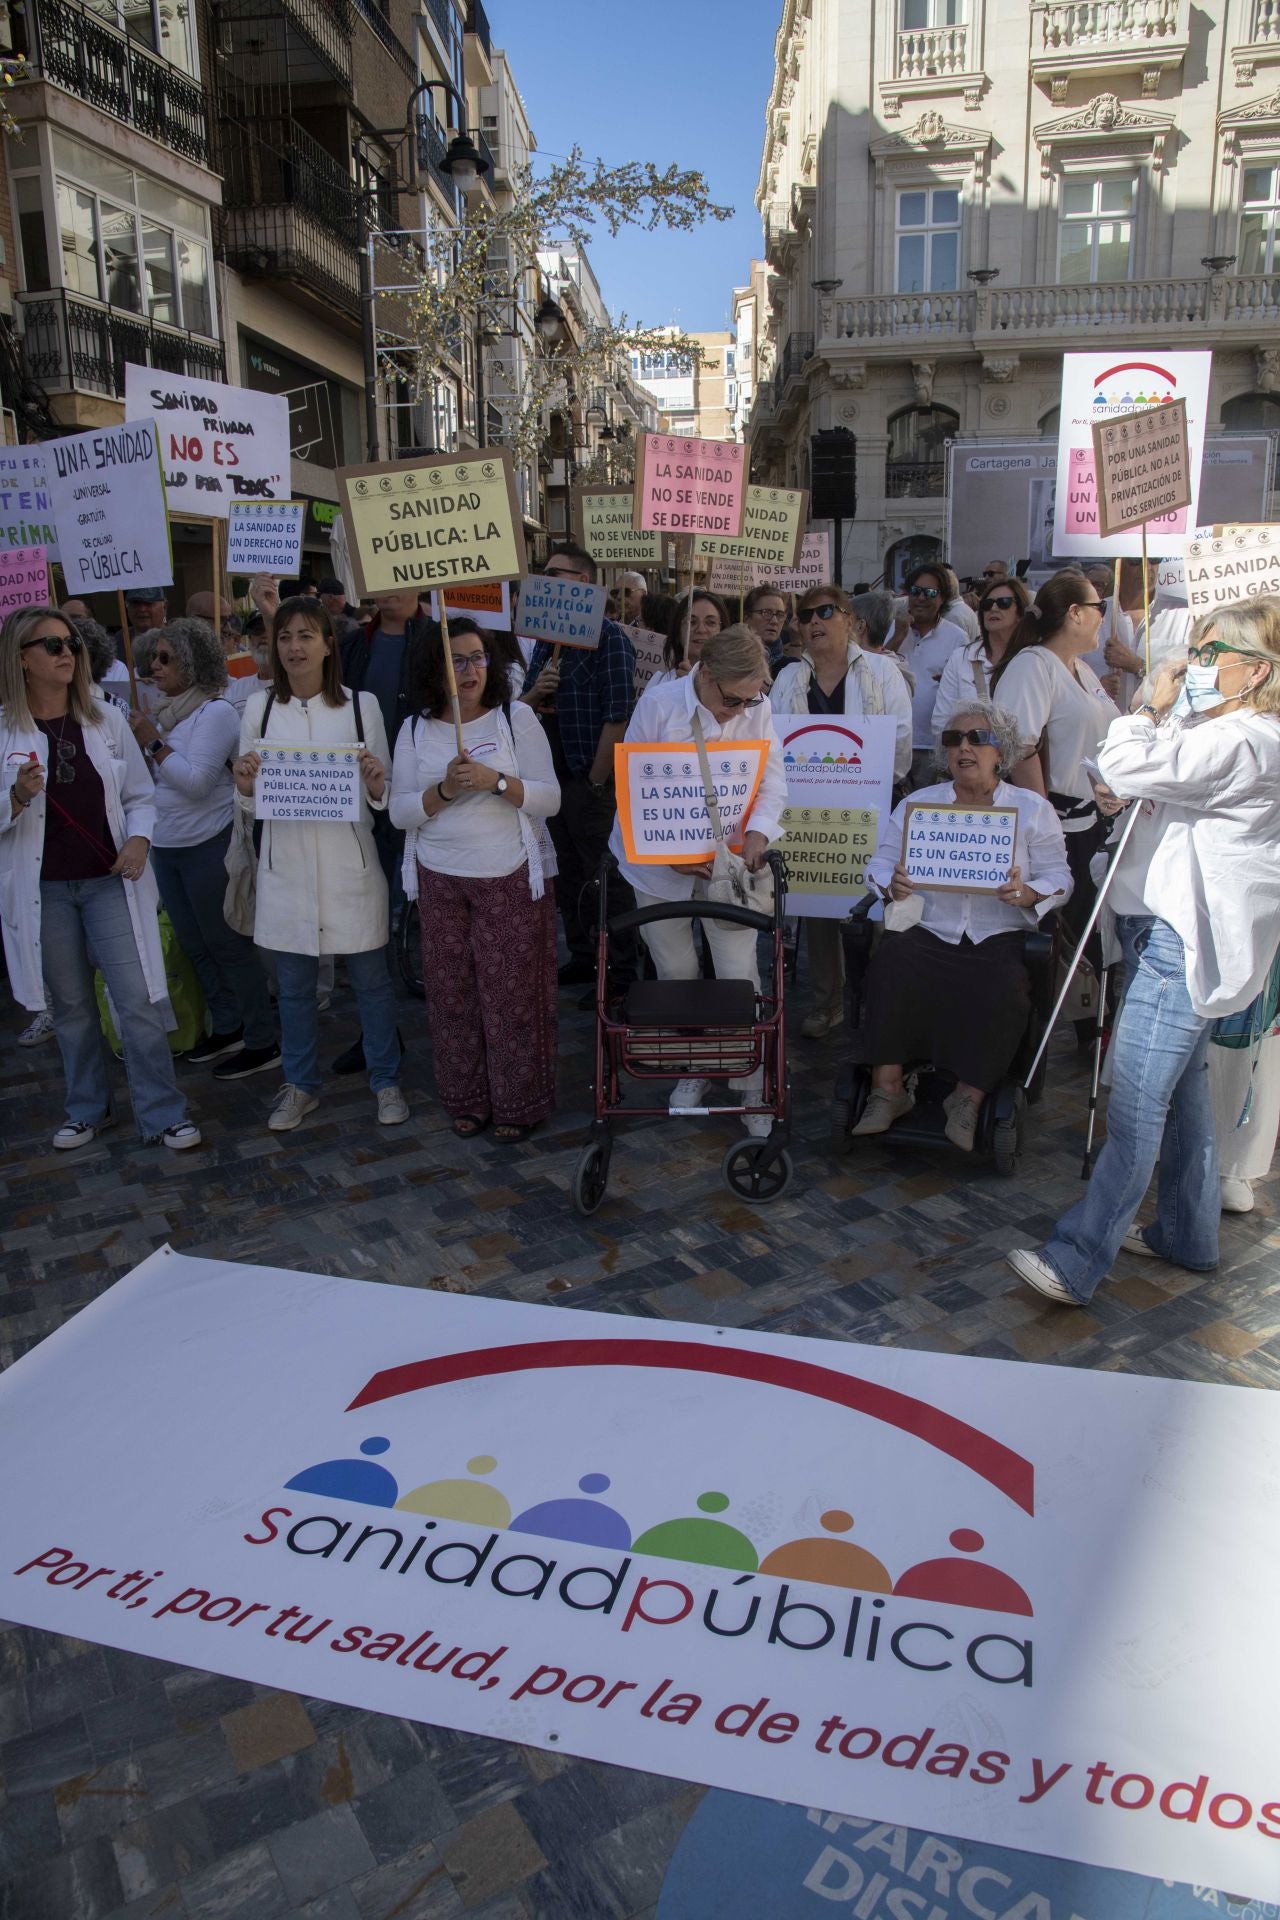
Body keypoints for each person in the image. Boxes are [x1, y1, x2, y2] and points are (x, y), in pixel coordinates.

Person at [1007, 599, 1280, 1306]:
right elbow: (1132, 780)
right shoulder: (1231, 733)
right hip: (1171, 932)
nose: (1196, 664)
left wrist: (1149, 707)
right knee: (1186, 1098)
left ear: (1256, 669)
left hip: (1180, 941)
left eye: (1213, 652)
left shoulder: (1245, 741)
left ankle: (1077, 1259)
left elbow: (1130, 763)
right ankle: (1188, 1233)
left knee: (1134, 1107)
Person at [0, 605, 200, 1150]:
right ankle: (87, 1109)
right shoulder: (4, 730)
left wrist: (139, 839)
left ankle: (162, 1112)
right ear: (22, 659)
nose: (67, 653)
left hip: (109, 880)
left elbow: (140, 794)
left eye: (72, 644)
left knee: (135, 1000)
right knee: (71, 1008)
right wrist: (16, 796)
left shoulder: (104, 718)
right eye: (53, 645)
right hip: (44, 892)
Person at [853, 702, 1071, 1150]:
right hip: (931, 926)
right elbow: (877, 865)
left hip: (999, 929)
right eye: (954, 740)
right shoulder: (919, 805)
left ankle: (967, 1098)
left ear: (1001, 752)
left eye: (977, 739)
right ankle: (888, 1090)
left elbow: (1060, 878)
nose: (964, 748)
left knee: (1005, 982)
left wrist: (1030, 893)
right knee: (891, 963)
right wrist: (889, 883)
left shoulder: (1032, 810)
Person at [233, 597, 407, 1131]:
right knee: (293, 987)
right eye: (285, 637)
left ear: (329, 643)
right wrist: (243, 786)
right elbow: (249, 796)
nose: (294, 647)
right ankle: (301, 1084)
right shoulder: (258, 709)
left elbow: (384, 794)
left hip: (349, 867)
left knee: (372, 984)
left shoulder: (362, 708)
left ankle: (386, 1079)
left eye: (307, 635)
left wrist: (378, 783)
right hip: (286, 870)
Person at [610, 625, 788, 1136]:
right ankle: (694, 1065)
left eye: (748, 700)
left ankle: (749, 1078)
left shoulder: (757, 705)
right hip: (656, 859)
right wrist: (668, 856)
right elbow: (633, 787)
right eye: (731, 699)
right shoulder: (660, 704)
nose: (737, 711)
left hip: (729, 859)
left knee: (737, 970)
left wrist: (758, 832)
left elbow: (773, 775)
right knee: (676, 968)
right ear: (705, 674)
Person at [389, 618, 560, 1141]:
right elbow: (398, 813)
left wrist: (497, 783)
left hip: (508, 875)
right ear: (433, 669)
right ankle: (468, 1098)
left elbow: (550, 799)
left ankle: (517, 1102)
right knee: (451, 995)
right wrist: (444, 790)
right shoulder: (415, 728)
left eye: (477, 658)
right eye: (455, 660)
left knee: (510, 995)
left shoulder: (516, 717)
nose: (469, 670)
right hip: (440, 880)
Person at [125, 617, 279, 1080]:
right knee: (194, 944)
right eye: (153, 656)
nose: (154, 666)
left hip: (205, 842)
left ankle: (262, 1037)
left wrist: (153, 745)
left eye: (165, 657)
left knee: (226, 943)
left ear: (193, 663)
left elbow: (195, 782)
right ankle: (227, 1024)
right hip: (166, 844)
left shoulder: (215, 713)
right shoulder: (167, 711)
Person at [771, 586, 914, 1038]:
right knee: (817, 911)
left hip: (869, 811)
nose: (814, 622)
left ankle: (874, 1000)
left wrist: (864, 782)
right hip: (808, 817)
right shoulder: (788, 679)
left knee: (871, 907)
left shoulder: (882, 674)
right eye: (806, 615)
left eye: (826, 612)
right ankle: (828, 1001)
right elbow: (772, 747)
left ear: (849, 619)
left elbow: (902, 744)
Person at [520, 541, 637, 1004]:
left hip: (591, 781)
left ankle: (621, 973)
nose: (545, 581)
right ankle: (584, 954)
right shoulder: (546, 641)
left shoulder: (611, 639)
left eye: (555, 574)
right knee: (567, 873)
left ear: (582, 583)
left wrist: (595, 780)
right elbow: (522, 709)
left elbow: (618, 715)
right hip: (551, 782)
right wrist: (537, 691)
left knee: (604, 876)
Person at [992, 570, 1120, 945]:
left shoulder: (1080, 668)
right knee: (1066, 939)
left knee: (1088, 935)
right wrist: (1043, 822)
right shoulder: (1033, 665)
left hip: (1091, 823)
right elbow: (1019, 747)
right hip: (1057, 829)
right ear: (1075, 613)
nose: (1104, 616)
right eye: (1101, 607)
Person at [890, 565, 967, 786]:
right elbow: (874, 667)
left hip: (934, 747)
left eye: (930, 593)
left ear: (942, 598)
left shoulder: (957, 638)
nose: (921, 598)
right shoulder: (893, 629)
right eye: (915, 591)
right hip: (895, 743)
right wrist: (898, 636)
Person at [933, 577, 1031, 732]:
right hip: (970, 752)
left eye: (1003, 603)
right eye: (986, 604)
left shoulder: (1034, 660)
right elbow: (941, 721)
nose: (993, 608)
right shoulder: (961, 658)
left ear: (1020, 612)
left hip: (1022, 753)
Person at [652, 589, 729, 685]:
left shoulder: (735, 684)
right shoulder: (659, 683)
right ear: (678, 631)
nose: (701, 629)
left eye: (711, 622)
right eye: (692, 622)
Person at [743, 584, 789, 663]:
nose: (774, 621)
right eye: (766, 613)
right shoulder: (729, 662)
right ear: (747, 618)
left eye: (780, 614)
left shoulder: (792, 668)